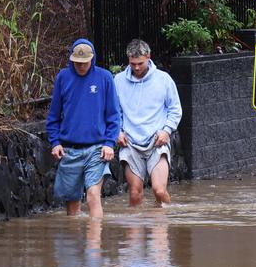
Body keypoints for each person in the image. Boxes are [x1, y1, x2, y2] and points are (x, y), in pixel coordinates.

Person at [46, 38, 120, 218]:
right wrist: (55, 142)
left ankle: (94, 246)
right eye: (77, 62)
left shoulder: (104, 77)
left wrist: (109, 143)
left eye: (84, 62)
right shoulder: (63, 77)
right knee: (72, 206)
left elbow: (114, 115)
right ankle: (75, 242)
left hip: (97, 149)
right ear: (71, 59)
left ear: (92, 59)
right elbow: (53, 115)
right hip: (70, 150)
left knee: (93, 196)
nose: (81, 66)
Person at [114, 39, 182, 206]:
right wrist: (117, 131)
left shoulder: (164, 79)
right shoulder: (118, 80)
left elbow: (175, 109)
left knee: (159, 190)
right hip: (130, 143)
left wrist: (166, 131)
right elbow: (114, 112)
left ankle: (165, 222)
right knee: (135, 193)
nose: (136, 68)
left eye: (140, 63)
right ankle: (136, 229)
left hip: (156, 142)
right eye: (132, 64)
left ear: (148, 57)